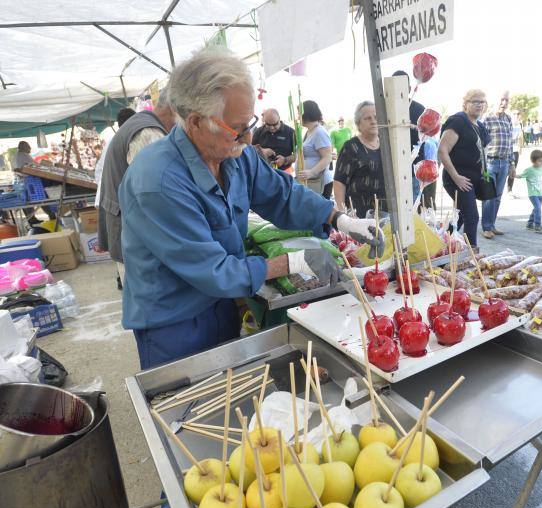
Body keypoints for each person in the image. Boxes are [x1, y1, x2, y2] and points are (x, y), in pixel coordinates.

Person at [118, 48, 382, 370]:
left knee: (230, 398)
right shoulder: (157, 182)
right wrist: (291, 262)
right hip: (174, 322)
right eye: (238, 128)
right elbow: (214, 271)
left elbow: (282, 194)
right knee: (187, 410)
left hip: (221, 304)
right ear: (196, 122)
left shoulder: (235, 153)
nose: (248, 137)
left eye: (250, 124)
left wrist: (339, 218)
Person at [98, 90, 176, 287]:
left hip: (127, 231)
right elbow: (158, 195)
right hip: (134, 239)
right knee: (148, 305)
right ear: (176, 110)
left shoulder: (142, 125)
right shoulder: (148, 133)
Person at [438, 89, 490, 246]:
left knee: (459, 216)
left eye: (482, 102)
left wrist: (485, 175)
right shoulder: (458, 121)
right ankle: (471, 255)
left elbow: (482, 152)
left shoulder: (480, 125)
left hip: (473, 179)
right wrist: (456, 177)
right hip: (458, 179)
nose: (479, 105)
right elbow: (442, 150)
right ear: (465, 104)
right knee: (471, 216)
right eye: (475, 101)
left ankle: (439, 244)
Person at [333, 101, 385, 217]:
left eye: (376, 117)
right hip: (358, 215)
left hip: (385, 213)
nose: (373, 121)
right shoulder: (350, 147)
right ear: (358, 124)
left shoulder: (387, 144)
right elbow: (339, 182)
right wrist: (342, 213)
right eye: (367, 118)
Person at [481, 91, 515, 238]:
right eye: (502, 99)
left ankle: (492, 225)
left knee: (498, 196)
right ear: (495, 100)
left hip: (504, 162)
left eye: (506, 100)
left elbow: (510, 143)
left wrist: (512, 163)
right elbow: (480, 142)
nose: (504, 103)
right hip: (490, 162)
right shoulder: (487, 118)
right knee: (489, 195)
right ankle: (486, 227)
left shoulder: (508, 119)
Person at [392, 70, 428, 204]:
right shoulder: (383, 109)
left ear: (409, 88)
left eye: (402, 87)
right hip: (391, 168)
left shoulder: (419, 109)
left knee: (411, 208)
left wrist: (413, 126)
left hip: (413, 169)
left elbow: (425, 135)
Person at [94, 107, 136, 207]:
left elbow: (99, 171)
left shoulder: (114, 140)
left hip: (107, 198)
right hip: (114, 200)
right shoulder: (125, 140)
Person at [297, 100, 333, 198]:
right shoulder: (309, 131)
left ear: (306, 114)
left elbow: (327, 157)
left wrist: (311, 172)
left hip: (319, 183)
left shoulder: (319, 132)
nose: (298, 117)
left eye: (299, 114)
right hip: (310, 182)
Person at [507, 111, 523, 194]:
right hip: (507, 150)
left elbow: (520, 136)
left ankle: (510, 190)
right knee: (504, 170)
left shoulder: (519, 125)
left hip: (515, 150)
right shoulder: (508, 123)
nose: (516, 115)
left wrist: (520, 147)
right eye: (514, 113)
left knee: (513, 170)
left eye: (518, 114)